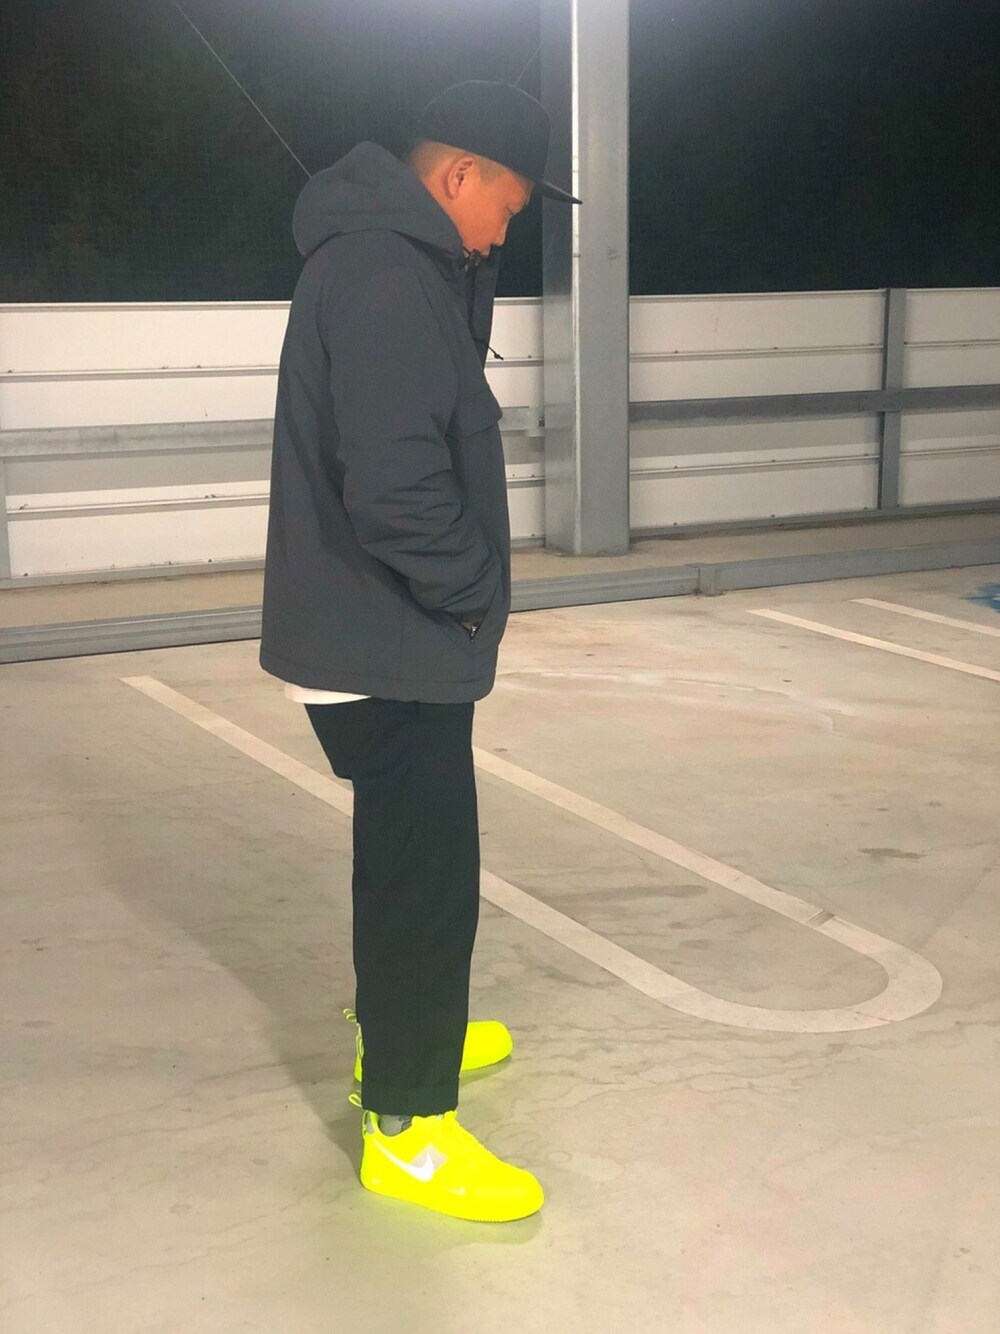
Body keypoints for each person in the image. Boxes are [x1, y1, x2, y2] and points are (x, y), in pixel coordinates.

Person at [259, 80, 580, 1223]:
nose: (503, 232)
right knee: (424, 881)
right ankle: (407, 1123)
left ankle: (393, 1029)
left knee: (400, 858)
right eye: (507, 206)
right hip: (385, 631)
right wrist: (472, 597)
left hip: (371, 626)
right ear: (456, 175)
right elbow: (397, 488)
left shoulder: (391, 263)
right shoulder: (387, 276)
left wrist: (464, 268)